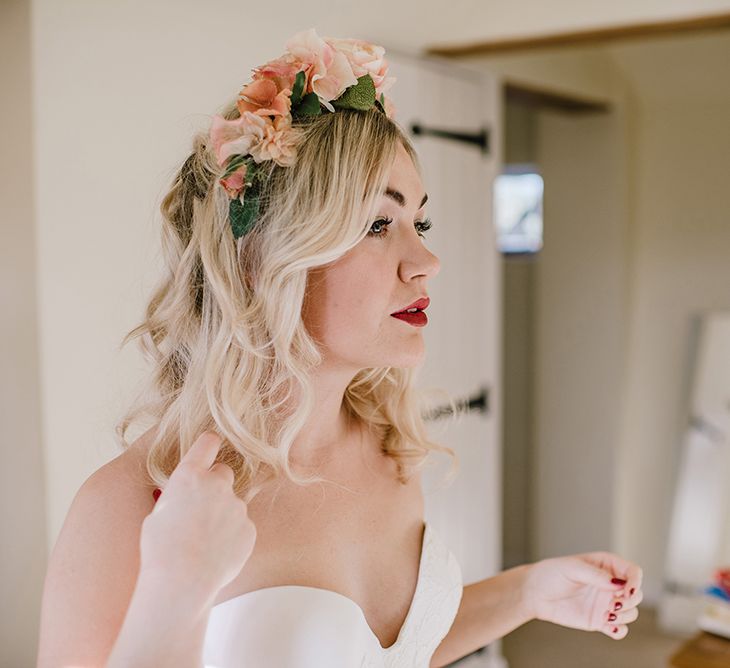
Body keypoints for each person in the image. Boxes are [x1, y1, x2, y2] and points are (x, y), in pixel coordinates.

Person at [37, 27, 643, 668]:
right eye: (378, 224)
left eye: (420, 221)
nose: (427, 261)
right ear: (261, 259)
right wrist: (176, 586)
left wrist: (528, 591)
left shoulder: (388, 446)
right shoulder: (134, 506)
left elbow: (388, 653)